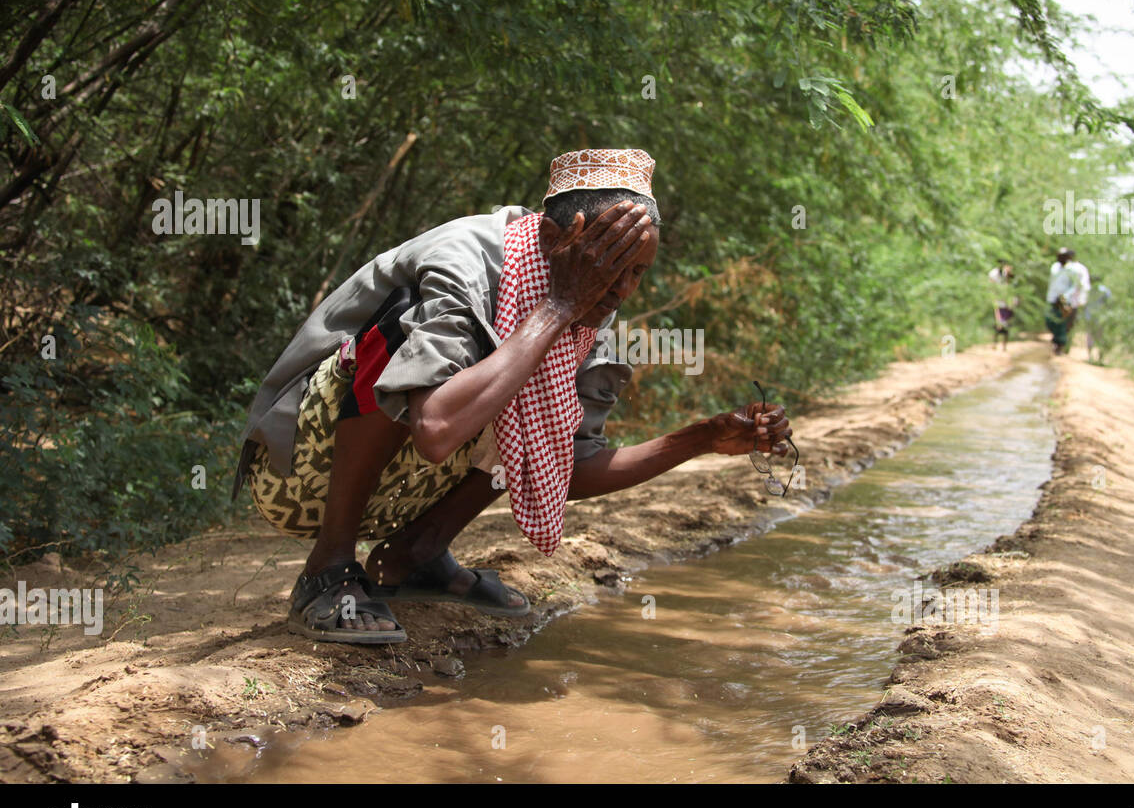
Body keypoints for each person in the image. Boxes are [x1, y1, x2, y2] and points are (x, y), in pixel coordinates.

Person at [231, 148, 793, 643]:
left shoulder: (592, 309)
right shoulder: (467, 258)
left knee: (526, 377)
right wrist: (557, 308)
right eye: (610, 267)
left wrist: (699, 438)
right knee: (411, 336)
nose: (620, 291)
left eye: (637, 273)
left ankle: (415, 554)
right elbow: (435, 430)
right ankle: (328, 569)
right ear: (556, 239)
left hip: (398, 493)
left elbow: (565, 465)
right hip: (298, 473)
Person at [1045, 248, 1088, 354]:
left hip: (1065, 301)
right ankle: (1057, 341)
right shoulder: (1055, 267)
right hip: (1052, 299)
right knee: (1050, 321)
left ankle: (1060, 346)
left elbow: (1075, 286)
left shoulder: (1073, 270)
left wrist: (1064, 297)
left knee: (1062, 324)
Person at [1083, 283, 1112, 364]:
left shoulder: (1089, 290)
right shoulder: (1105, 291)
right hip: (1100, 317)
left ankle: (1091, 357)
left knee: (1090, 336)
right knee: (1100, 337)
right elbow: (1109, 304)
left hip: (1091, 317)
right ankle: (1098, 358)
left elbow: (1084, 303)